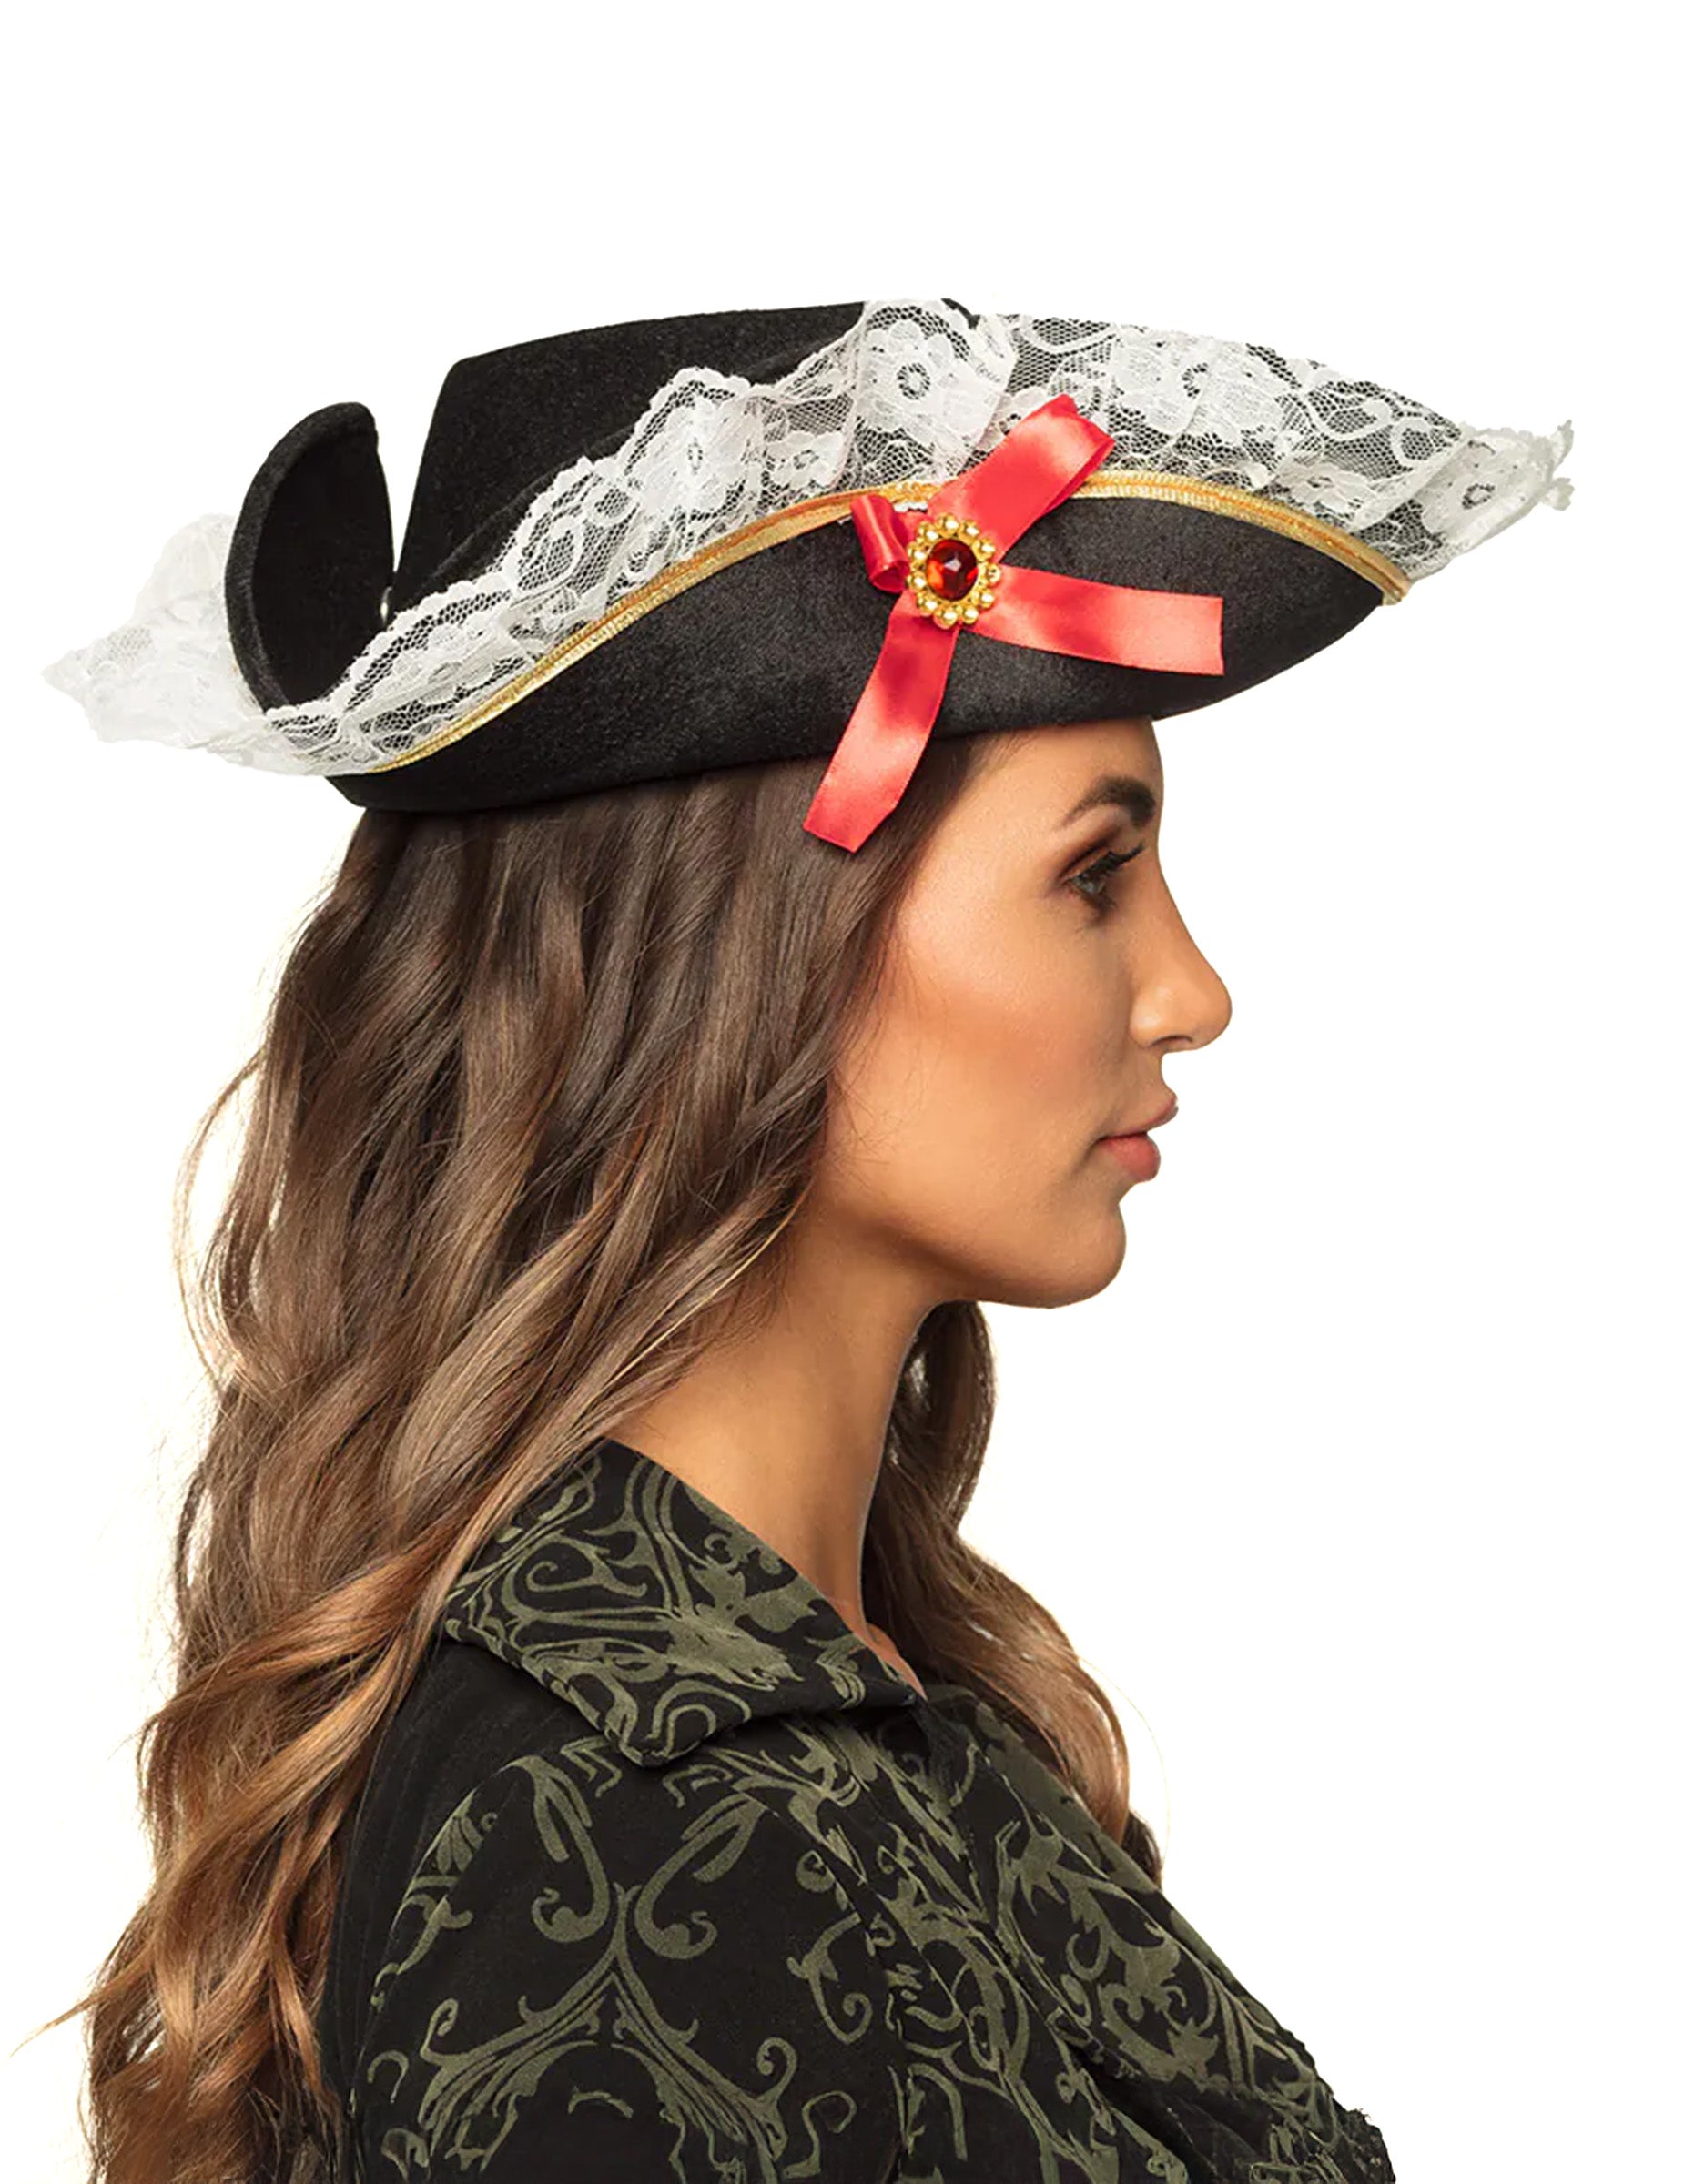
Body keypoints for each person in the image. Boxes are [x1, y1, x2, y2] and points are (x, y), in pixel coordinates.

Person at [37, 297, 1571, 2182]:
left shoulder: (859, 1715)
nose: (1192, 992)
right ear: (769, 950)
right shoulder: (628, 1821)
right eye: (1092, 874)